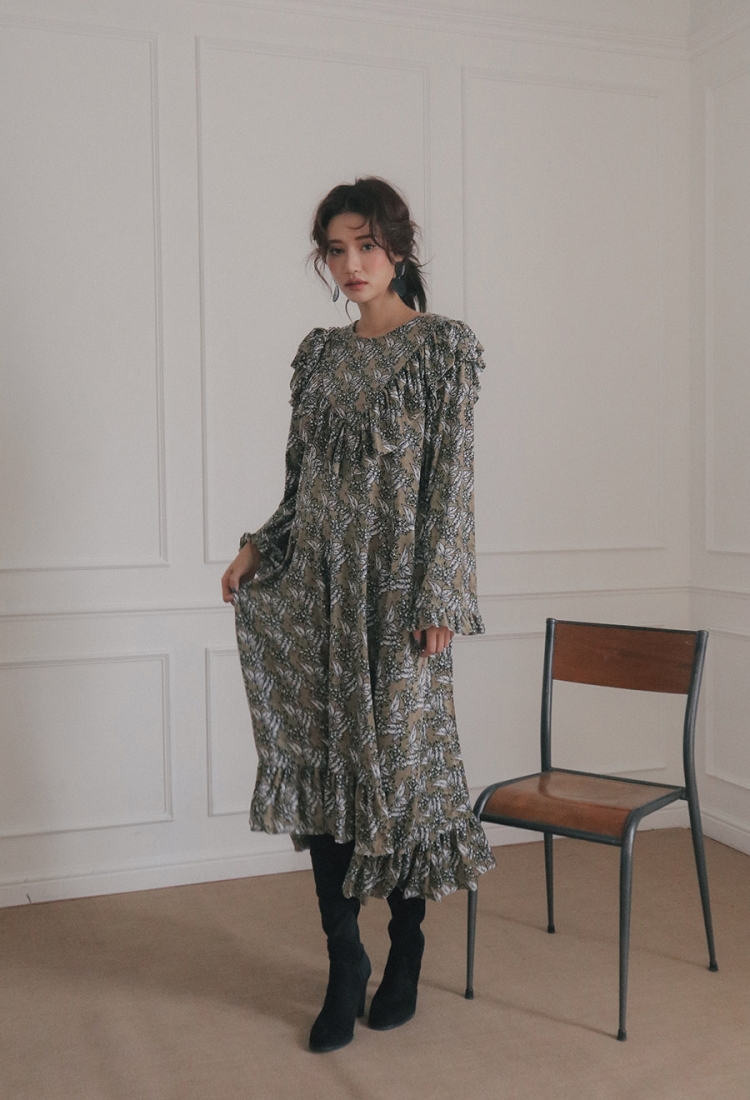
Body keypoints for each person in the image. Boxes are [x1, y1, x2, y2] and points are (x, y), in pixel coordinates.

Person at [221, 177, 494, 1053]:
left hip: (400, 603)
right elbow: (301, 485)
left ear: (398, 249)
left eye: (366, 245)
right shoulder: (319, 357)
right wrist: (260, 545)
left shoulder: (442, 349)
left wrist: (440, 594)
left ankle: (405, 950)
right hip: (317, 598)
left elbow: (450, 483)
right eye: (336, 249)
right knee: (321, 768)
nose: (351, 264)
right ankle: (346, 961)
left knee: (403, 775)